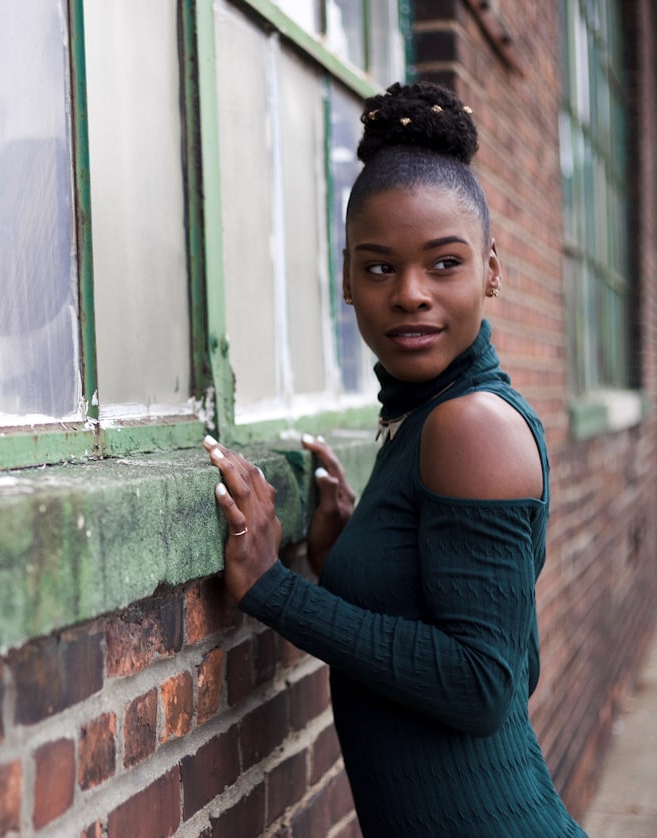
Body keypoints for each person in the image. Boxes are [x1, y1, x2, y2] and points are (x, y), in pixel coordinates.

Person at [205, 81, 586, 836]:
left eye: (444, 264)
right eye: (380, 268)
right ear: (347, 280)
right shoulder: (422, 417)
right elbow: (514, 655)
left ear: (492, 271)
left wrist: (274, 589)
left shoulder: (470, 424)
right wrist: (353, 556)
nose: (410, 293)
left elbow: (485, 685)